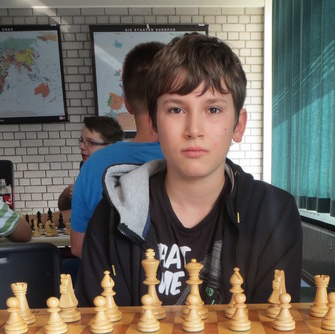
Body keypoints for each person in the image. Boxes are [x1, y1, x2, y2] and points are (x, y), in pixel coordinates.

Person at [75, 33, 302, 307]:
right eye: (176, 110)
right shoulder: (110, 216)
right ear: (154, 123)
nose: (194, 130)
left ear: (238, 125)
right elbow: (103, 328)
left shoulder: (274, 213)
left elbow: (272, 327)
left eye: (213, 109)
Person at [69, 42, 165, 258]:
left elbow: (79, 248)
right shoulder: (192, 163)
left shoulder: (93, 165)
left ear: (127, 102)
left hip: (110, 278)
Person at [57, 115, 124, 212]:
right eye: (81, 141)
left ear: (110, 147)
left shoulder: (123, 174)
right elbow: (64, 208)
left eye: (90, 142)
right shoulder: (86, 166)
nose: (81, 146)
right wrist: (68, 193)